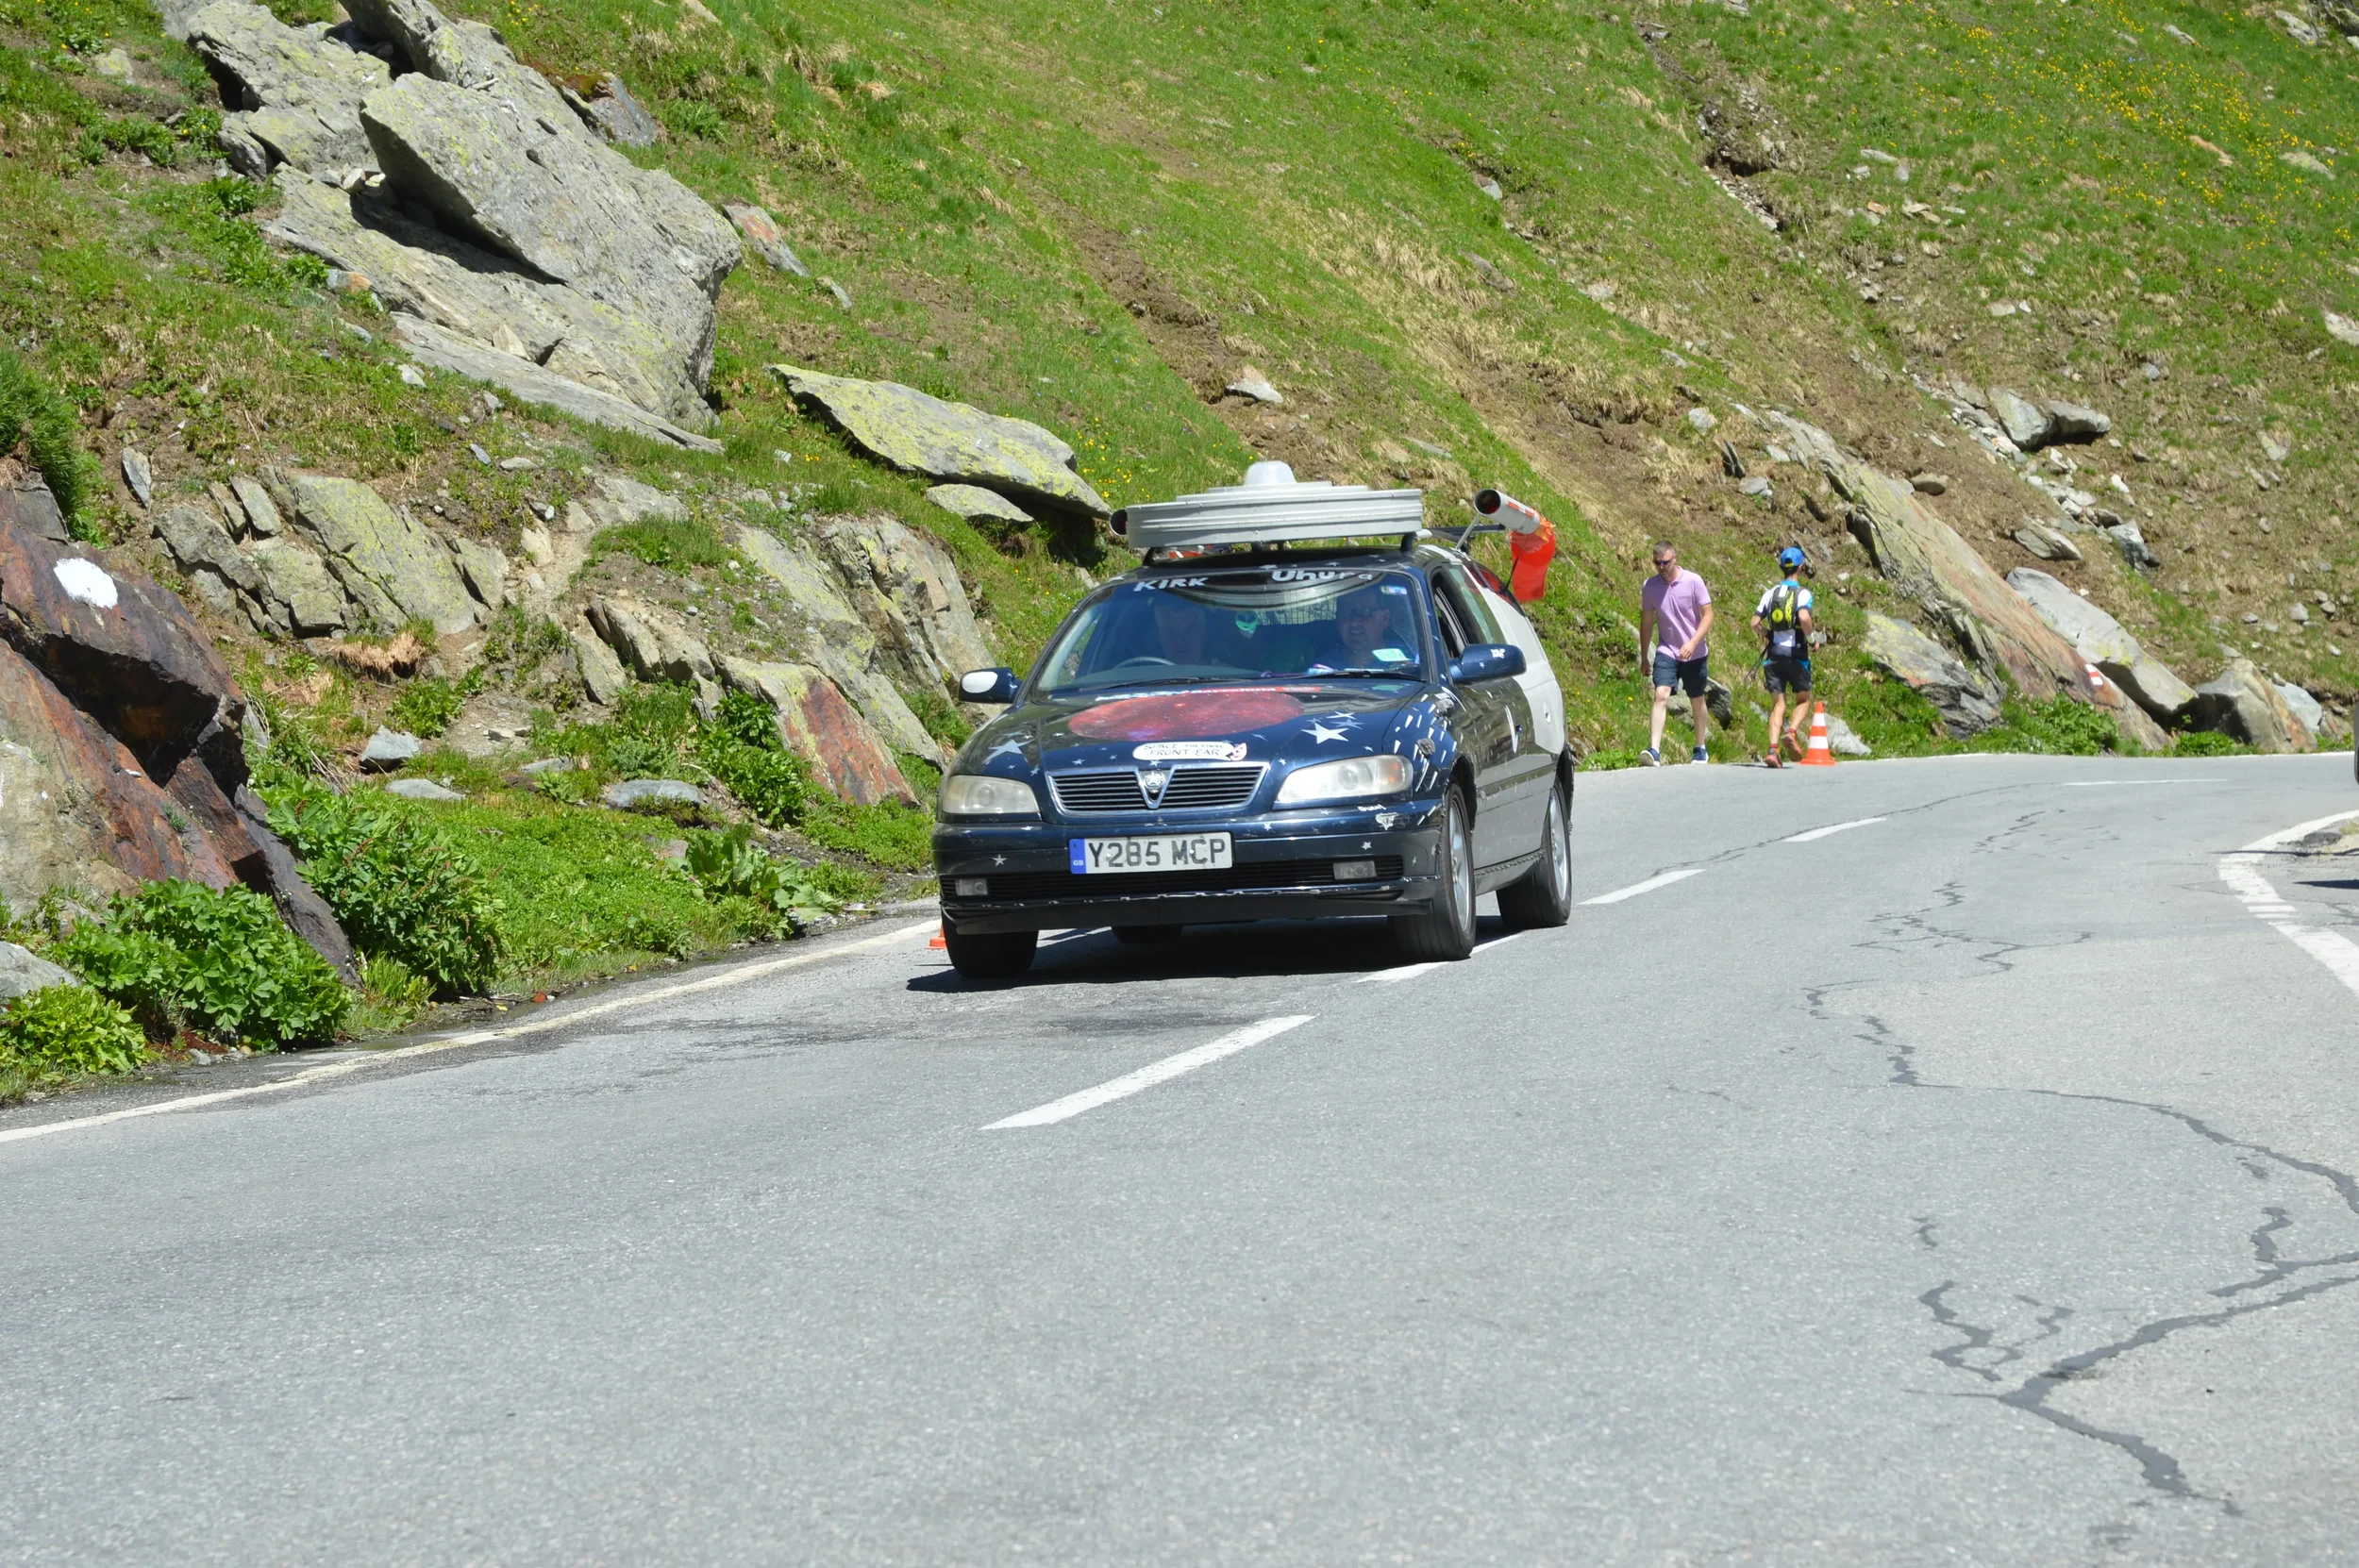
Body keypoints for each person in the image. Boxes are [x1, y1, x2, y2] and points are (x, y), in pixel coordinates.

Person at [1638, 542, 1714, 765]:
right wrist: (1644, 656)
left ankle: (1700, 747)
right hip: (1667, 650)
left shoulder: (1693, 581)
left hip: (1695, 652)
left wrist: (1693, 642)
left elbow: (1708, 615)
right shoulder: (1650, 587)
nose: (1661, 567)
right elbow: (1647, 622)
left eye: (1665, 562)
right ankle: (1654, 750)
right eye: (1657, 563)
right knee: (1661, 694)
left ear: (1675, 559)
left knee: (1696, 699)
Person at [1751, 547, 1815, 768]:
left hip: (1774, 655)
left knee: (1778, 704)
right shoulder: (1803, 594)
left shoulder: (1770, 594)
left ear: (1781, 568)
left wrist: (1767, 634)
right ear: (1801, 568)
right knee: (1804, 699)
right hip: (1797, 654)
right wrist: (1811, 637)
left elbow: (1754, 623)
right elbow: (1804, 616)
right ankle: (1792, 732)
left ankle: (1772, 750)